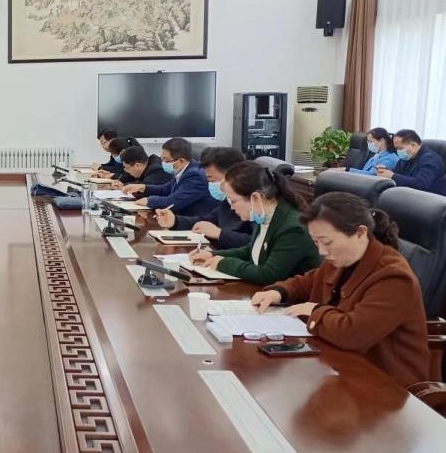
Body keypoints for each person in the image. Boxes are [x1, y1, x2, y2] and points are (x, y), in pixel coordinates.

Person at [252, 192, 429, 388]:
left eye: (327, 242)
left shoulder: (393, 277)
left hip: (384, 383)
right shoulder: (343, 258)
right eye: (316, 242)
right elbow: (308, 281)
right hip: (337, 363)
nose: (322, 251)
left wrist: (314, 311)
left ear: (360, 233)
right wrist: (279, 292)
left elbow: (354, 333)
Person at [189, 161, 320, 285]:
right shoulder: (263, 215)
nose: (232, 208)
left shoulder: (293, 227)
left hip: (289, 298)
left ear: (255, 198)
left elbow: (269, 274)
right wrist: (212, 255)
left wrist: (223, 263)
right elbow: (250, 250)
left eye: (233, 201)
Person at [155, 147, 252, 249]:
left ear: (232, 175)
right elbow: (205, 222)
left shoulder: (253, 202)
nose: (210, 184)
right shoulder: (226, 201)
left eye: (212, 180)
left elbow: (255, 243)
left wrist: (220, 234)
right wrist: (175, 221)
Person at [121, 137, 217, 216]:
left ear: (181, 161)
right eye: (162, 159)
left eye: (166, 160)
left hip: (195, 223)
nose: (162, 163)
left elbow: (173, 202)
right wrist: (143, 188)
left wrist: (149, 200)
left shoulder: (195, 175)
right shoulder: (184, 169)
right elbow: (165, 189)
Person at [376, 129, 443, 192]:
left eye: (400, 148)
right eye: (396, 148)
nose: (398, 151)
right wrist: (385, 172)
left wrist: (392, 176)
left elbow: (421, 184)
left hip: (428, 197)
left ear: (413, 145)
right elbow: (397, 173)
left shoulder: (431, 159)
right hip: (406, 193)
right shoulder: (407, 157)